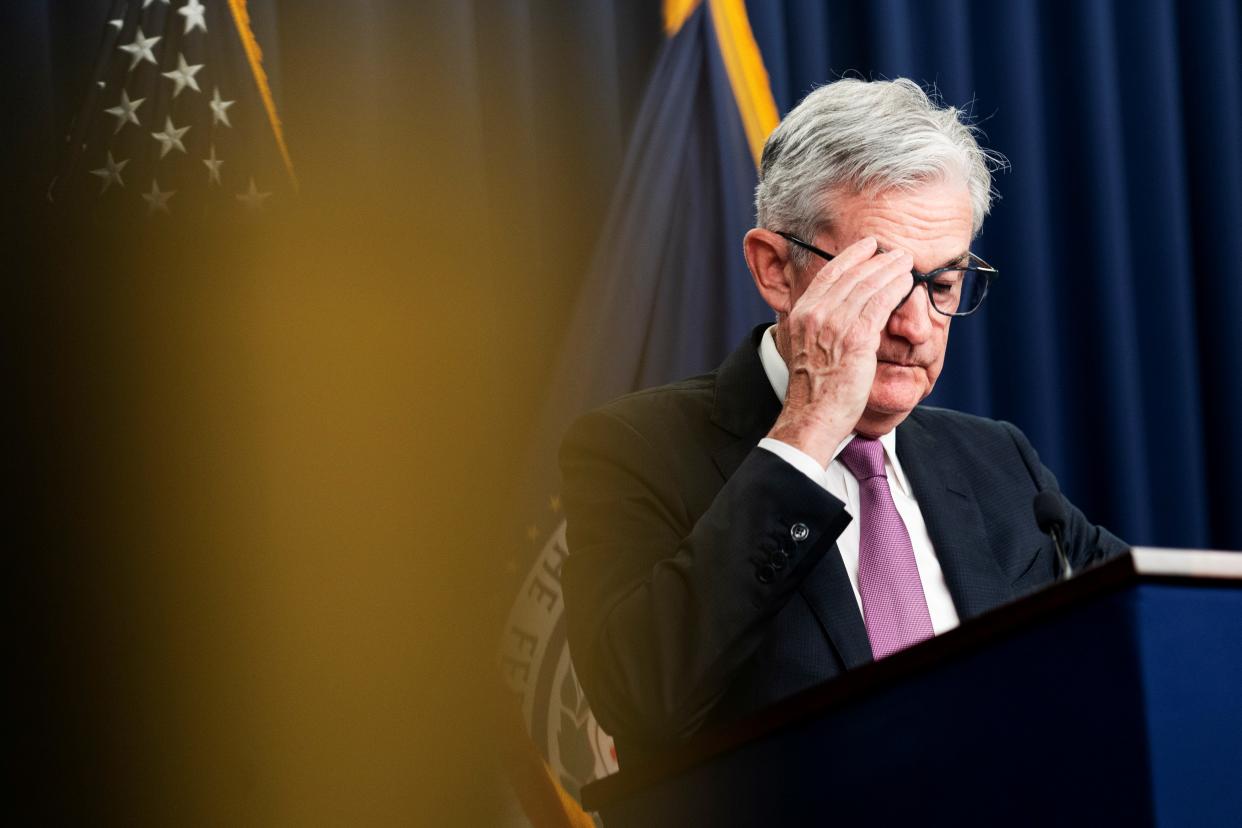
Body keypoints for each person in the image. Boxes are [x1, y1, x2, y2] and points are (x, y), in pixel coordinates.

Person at [559, 78, 1126, 765]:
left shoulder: (999, 462)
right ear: (775, 269)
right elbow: (638, 698)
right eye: (879, 280)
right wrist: (808, 431)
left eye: (942, 284)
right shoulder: (634, 449)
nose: (917, 326)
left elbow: (1152, 629)